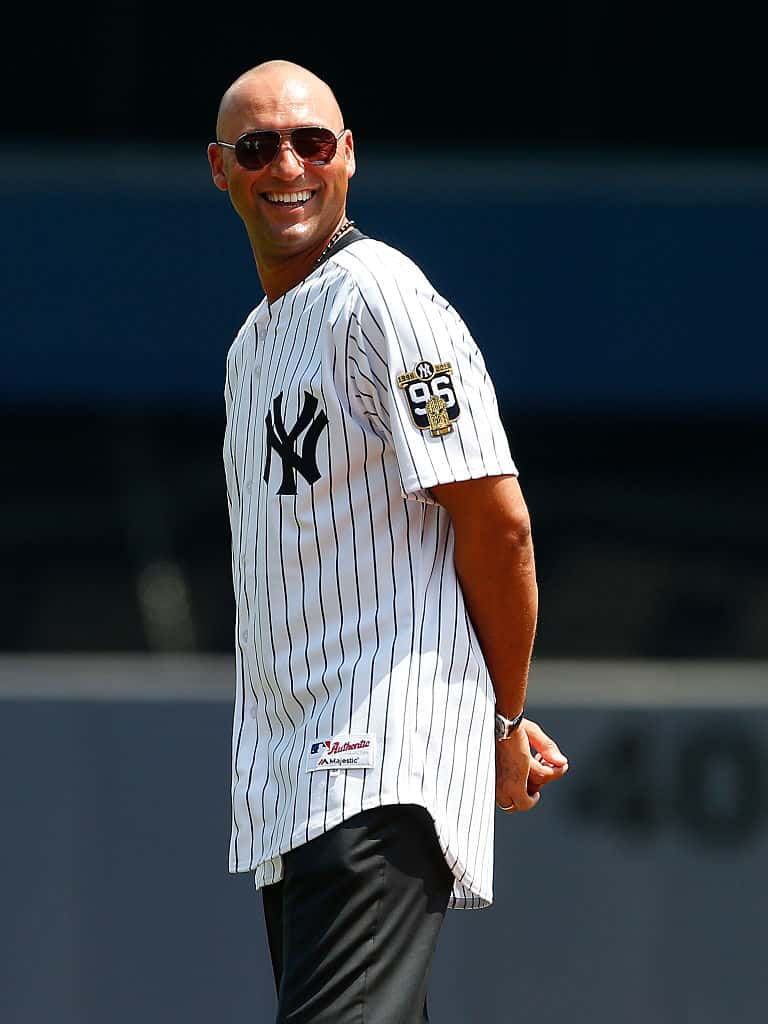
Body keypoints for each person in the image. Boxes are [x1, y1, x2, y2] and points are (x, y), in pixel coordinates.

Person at [207, 59, 569, 1022]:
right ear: (221, 170)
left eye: (311, 142)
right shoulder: (252, 347)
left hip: (374, 762)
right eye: (258, 147)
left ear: (348, 157)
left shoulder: (380, 295)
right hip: (290, 785)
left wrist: (502, 718)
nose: (288, 164)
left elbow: (498, 523)